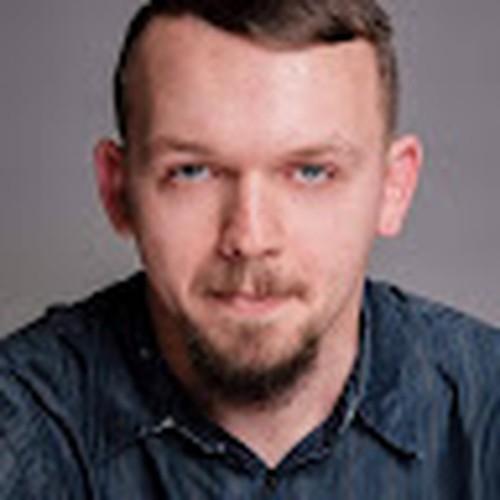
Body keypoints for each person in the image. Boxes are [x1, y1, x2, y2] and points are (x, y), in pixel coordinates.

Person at [1, 0, 499, 497]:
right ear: (118, 191)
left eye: (311, 172)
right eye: (192, 171)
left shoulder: (488, 407)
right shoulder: (21, 427)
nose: (250, 239)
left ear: (393, 188)